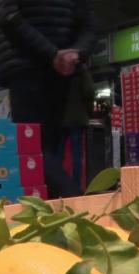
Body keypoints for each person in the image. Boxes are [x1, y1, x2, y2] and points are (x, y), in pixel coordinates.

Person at [0, 0, 96, 198]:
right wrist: (66, 54)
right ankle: (72, 204)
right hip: (38, 67)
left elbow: (5, 14)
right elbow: (89, 23)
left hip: (41, 66)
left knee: (37, 150)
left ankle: (68, 205)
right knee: (39, 151)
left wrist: (70, 54)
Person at [59, 63, 95, 192]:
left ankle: (59, 183)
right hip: (77, 118)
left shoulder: (60, 69)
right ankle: (76, 185)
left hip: (61, 118)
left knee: (59, 154)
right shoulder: (82, 71)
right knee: (76, 154)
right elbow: (89, 92)